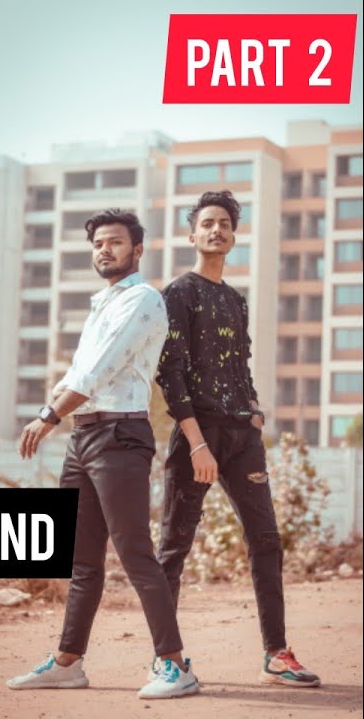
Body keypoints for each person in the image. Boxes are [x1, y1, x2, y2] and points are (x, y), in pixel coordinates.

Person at [8, 209, 199, 700]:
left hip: (121, 437)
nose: (104, 250)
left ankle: (175, 665)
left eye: (115, 242)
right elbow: (76, 373)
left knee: (134, 550)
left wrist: (46, 416)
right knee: (80, 559)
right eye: (98, 244)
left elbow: (98, 372)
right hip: (84, 436)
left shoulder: (142, 300)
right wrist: (59, 414)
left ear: (137, 249)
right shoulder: (101, 304)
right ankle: (69, 662)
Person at [156, 190, 320, 688]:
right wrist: (197, 441)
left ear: (234, 234)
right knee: (173, 549)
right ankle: (167, 657)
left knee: (266, 539)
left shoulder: (234, 299)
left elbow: (238, 363)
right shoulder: (178, 293)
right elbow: (171, 372)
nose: (216, 230)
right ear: (192, 234)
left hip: (241, 435)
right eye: (207, 223)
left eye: (224, 223)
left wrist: (253, 411)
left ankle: (276, 652)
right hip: (196, 439)